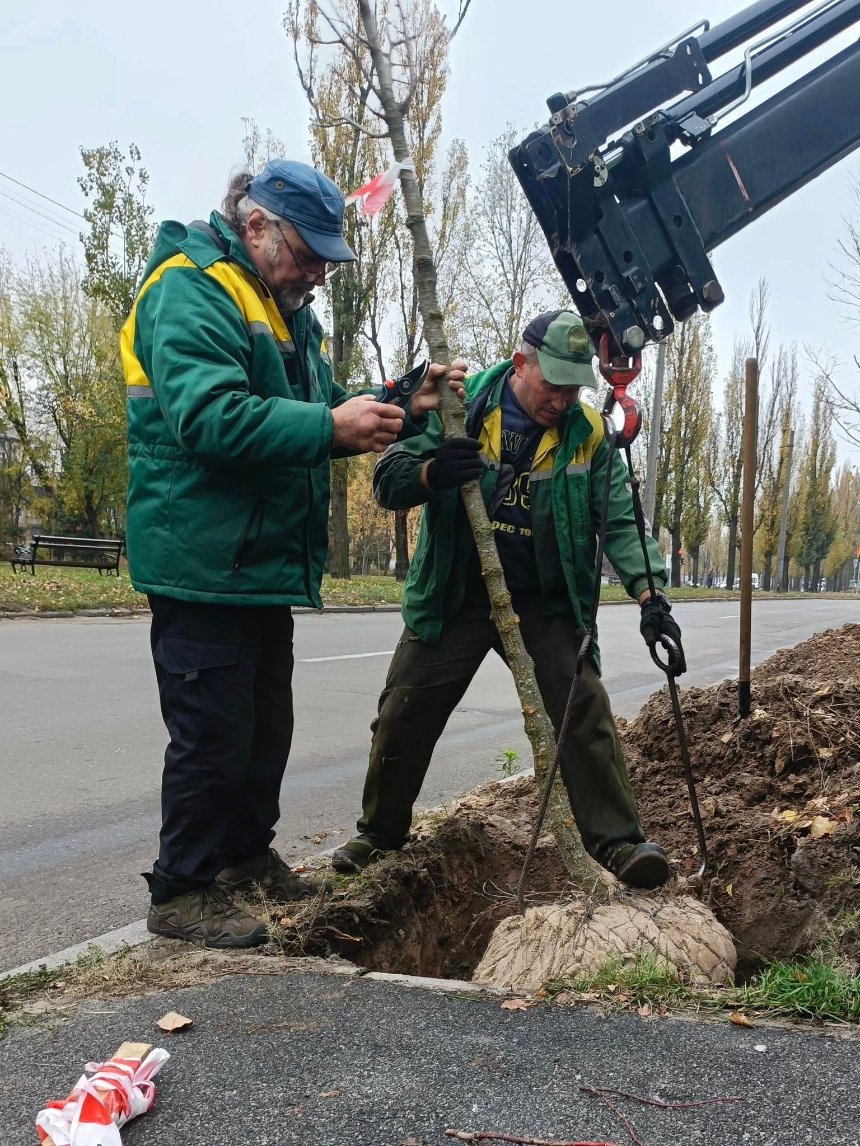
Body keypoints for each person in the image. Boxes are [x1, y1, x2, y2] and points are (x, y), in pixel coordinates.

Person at [121, 159, 459, 948]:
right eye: (306, 253)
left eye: (324, 260)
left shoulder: (283, 307)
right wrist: (328, 426)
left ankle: (243, 857)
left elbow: (318, 412)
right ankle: (181, 890)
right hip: (201, 558)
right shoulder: (189, 288)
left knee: (263, 725)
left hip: (257, 562)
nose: (315, 273)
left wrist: (401, 403)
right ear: (255, 226)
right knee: (212, 732)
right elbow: (211, 417)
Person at [332, 310, 685, 889]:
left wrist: (651, 599)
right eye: (555, 384)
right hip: (456, 594)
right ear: (521, 364)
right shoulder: (459, 407)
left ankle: (620, 845)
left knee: (583, 711)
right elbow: (388, 479)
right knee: (404, 712)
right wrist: (431, 473)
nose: (565, 399)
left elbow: (620, 522)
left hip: (547, 600)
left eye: (575, 387)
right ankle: (380, 834)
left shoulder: (590, 436)